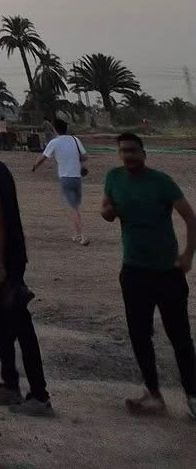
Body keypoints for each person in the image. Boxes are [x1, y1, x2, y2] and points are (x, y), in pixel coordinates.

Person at [101, 130, 196, 419]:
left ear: (144, 153)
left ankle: (193, 395)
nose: (128, 155)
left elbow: (190, 218)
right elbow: (107, 208)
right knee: (140, 335)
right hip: (133, 272)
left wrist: (188, 255)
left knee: (180, 336)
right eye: (123, 151)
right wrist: (106, 211)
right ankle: (153, 395)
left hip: (167, 272)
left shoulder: (161, 182)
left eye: (133, 150)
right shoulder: (113, 178)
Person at [0, 117, 52, 416]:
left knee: (19, 323)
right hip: (13, 253)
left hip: (7, 257)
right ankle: (11, 384)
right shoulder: (1, 168)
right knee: (4, 321)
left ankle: (38, 394)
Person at [32, 115, 90, 245]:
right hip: (77, 177)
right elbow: (85, 156)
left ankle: (82, 235)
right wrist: (75, 159)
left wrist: (35, 166)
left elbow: (43, 157)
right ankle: (76, 234)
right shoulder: (75, 139)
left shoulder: (54, 142)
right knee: (75, 206)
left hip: (65, 177)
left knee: (73, 208)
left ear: (55, 129)